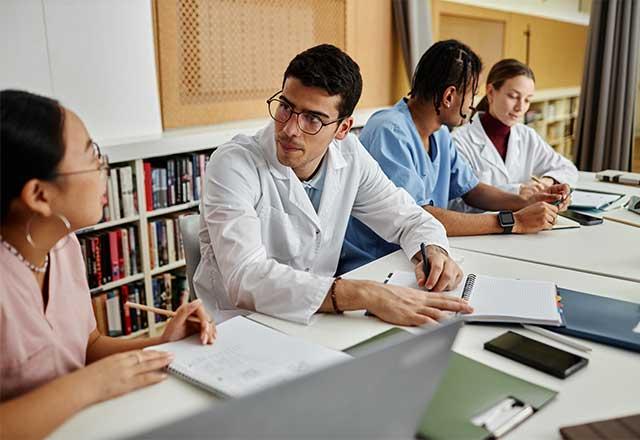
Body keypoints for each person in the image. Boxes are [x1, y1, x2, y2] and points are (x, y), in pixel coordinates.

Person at [193, 44, 473, 327]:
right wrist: (365, 293)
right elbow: (245, 277)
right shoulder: (233, 164)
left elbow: (409, 219)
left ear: (342, 128)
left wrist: (434, 251)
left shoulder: (351, 157)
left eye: (313, 118)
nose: (290, 129)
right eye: (286, 107)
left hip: (318, 320)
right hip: (236, 328)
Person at [0, 90, 216, 439]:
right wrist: (88, 387)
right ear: (39, 196)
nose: (105, 169)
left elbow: (88, 346)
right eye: (92, 156)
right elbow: (86, 377)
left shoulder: (64, 244)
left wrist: (164, 341)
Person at [339, 40, 571, 274]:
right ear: (449, 96)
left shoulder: (440, 134)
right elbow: (417, 216)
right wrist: (513, 221)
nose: (473, 105)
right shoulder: (389, 131)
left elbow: (472, 190)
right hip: (375, 263)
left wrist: (526, 201)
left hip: (420, 254)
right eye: (473, 95)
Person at [451, 58, 579, 203]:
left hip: (529, 222)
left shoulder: (526, 136)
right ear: (491, 92)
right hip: (485, 224)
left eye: (527, 100)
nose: (520, 108)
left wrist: (547, 181)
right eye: (513, 96)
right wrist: (517, 192)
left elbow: (567, 168)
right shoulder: (459, 142)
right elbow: (456, 203)